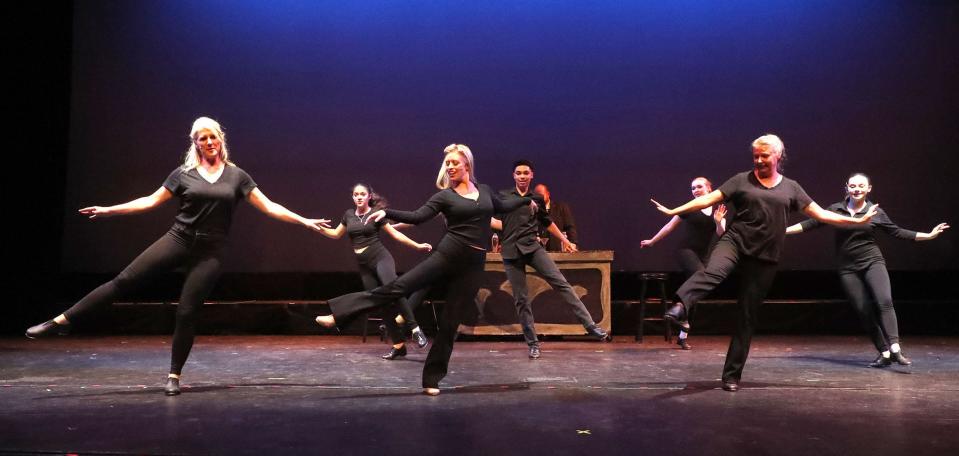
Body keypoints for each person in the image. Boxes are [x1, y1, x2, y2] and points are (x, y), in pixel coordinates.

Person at [25, 117, 330, 396]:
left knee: (186, 312)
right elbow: (149, 201)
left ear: (220, 139)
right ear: (195, 143)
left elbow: (269, 206)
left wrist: (304, 220)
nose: (209, 142)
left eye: (213, 137)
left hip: (210, 251)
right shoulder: (183, 174)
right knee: (124, 281)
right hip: (179, 239)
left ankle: (174, 375)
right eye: (202, 139)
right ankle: (60, 321)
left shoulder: (237, 176)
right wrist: (109, 210)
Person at [652, 134, 879, 392]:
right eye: (755, 156)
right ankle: (681, 305)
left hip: (766, 255)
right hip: (735, 242)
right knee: (712, 272)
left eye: (764, 156)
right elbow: (708, 198)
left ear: (778, 157)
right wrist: (675, 210)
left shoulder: (792, 188)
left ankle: (731, 375)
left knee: (746, 316)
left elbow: (822, 214)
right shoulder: (741, 180)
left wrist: (857, 221)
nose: (759, 160)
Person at [315, 144, 535, 395]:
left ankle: (432, 378)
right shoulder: (445, 197)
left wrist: (527, 201)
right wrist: (385, 211)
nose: (450, 167)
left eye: (454, 163)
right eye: (447, 164)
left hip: (473, 265)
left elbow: (504, 207)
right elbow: (418, 216)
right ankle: (340, 314)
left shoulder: (484, 192)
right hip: (447, 255)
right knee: (398, 287)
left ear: (467, 164)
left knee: (450, 324)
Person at [786, 173, 949, 367]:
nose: (857, 189)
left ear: (868, 189)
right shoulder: (835, 209)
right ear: (846, 187)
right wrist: (783, 231)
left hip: (873, 262)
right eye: (853, 186)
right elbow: (809, 224)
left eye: (861, 186)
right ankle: (884, 351)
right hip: (848, 268)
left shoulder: (876, 212)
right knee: (863, 311)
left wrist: (929, 235)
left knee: (884, 301)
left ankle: (896, 349)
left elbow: (897, 231)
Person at [491, 159, 611, 359]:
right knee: (521, 300)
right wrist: (506, 228)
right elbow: (492, 218)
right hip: (512, 252)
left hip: (533, 248)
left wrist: (566, 240)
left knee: (562, 283)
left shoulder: (537, 199)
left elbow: (548, 223)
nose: (522, 176)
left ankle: (590, 326)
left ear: (531, 175)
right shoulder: (503, 196)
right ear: (513, 176)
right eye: (518, 173)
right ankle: (533, 344)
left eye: (525, 173)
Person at [316, 183, 433, 359]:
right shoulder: (348, 215)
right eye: (356, 194)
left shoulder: (375, 214)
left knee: (393, 288)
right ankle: (399, 345)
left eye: (362, 194)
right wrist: (312, 226)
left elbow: (395, 234)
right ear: (353, 197)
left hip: (380, 258)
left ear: (369, 196)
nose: (359, 197)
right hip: (364, 266)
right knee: (380, 303)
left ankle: (415, 329)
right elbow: (334, 234)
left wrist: (417, 246)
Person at [640, 177, 727, 350]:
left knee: (696, 292)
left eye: (699, 187)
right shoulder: (689, 208)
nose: (695, 190)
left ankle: (682, 336)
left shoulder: (718, 210)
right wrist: (652, 241)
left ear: (709, 189)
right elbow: (669, 226)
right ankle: (677, 308)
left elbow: (721, 232)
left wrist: (718, 222)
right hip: (686, 251)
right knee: (701, 277)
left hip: (703, 256)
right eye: (693, 188)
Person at [533, 183, 578, 251]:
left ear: (548, 194)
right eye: (536, 196)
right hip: (538, 252)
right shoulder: (532, 210)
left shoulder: (561, 208)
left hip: (558, 249)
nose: (539, 197)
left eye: (541, 195)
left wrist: (573, 243)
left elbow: (570, 228)